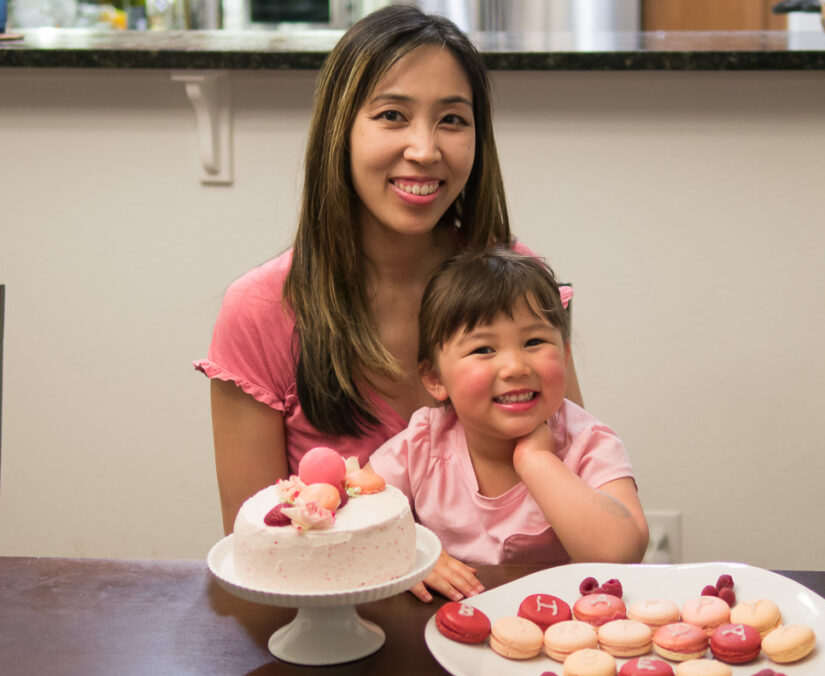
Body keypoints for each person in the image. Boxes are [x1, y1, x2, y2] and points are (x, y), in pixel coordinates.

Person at [194, 5, 582, 600]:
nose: (425, 150)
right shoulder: (259, 311)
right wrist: (402, 554)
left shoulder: (519, 284)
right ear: (340, 130)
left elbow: (576, 467)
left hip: (510, 619)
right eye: (392, 116)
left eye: (453, 119)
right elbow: (258, 550)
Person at [370, 248, 649, 601]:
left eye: (534, 342)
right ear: (434, 378)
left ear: (564, 355)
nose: (516, 366)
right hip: (447, 621)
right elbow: (356, 511)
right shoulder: (423, 442)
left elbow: (620, 554)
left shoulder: (589, 442)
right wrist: (413, 552)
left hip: (563, 630)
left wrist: (537, 462)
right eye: (484, 349)